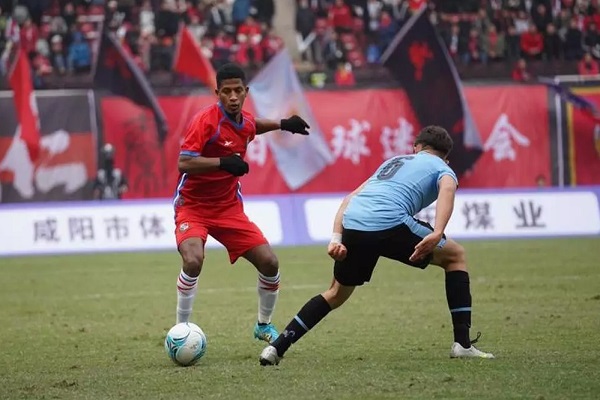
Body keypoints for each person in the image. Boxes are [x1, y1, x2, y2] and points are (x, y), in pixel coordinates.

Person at [259, 125, 495, 365]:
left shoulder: (393, 162)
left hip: (354, 221)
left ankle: (276, 348)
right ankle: (463, 345)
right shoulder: (442, 167)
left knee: (335, 294)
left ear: (416, 147)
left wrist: (336, 239)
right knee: (455, 256)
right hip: (389, 221)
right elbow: (447, 189)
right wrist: (438, 232)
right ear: (446, 156)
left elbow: (350, 198)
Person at [174, 63, 310, 345]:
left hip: (227, 209)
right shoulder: (205, 121)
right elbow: (184, 162)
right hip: (193, 206)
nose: (233, 96)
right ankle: (180, 330)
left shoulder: (244, 120)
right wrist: (223, 162)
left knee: (270, 263)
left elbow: (253, 126)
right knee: (193, 260)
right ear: (217, 93)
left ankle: (263, 325)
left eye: (238, 91)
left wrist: (284, 124)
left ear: (246, 92)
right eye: (226, 92)